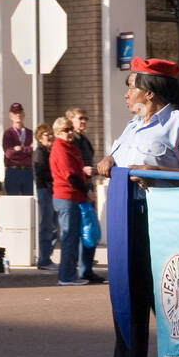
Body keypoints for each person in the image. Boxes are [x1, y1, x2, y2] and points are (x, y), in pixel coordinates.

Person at [84, 56, 179, 357]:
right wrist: (108, 161)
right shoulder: (131, 127)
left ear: (150, 91)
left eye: (131, 86)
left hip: (166, 228)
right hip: (128, 226)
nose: (126, 93)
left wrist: (157, 173)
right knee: (130, 309)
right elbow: (121, 159)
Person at [50, 116, 89, 286]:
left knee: (72, 237)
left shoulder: (68, 147)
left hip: (71, 197)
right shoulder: (60, 148)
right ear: (58, 132)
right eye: (66, 130)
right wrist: (87, 192)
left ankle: (70, 274)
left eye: (70, 129)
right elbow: (70, 176)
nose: (70, 132)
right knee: (69, 238)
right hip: (67, 197)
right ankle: (66, 276)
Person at [67, 107, 104, 283]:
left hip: (88, 186)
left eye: (85, 119)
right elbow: (67, 167)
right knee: (84, 231)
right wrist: (83, 170)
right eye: (80, 118)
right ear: (71, 119)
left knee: (91, 230)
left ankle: (87, 269)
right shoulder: (70, 140)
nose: (83, 122)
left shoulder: (84, 140)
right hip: (78, 190)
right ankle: (82, 270)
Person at [32, 124, 58, 271]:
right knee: (46, 225)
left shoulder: (50, 151)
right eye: (46, 135)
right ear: (40, 138)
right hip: (45, 190)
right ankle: (43, 259)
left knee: (53, 225)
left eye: (50, 134)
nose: (50, 137)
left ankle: (47, 257)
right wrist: (56, 176)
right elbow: (42, 173)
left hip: (52, 190)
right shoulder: (39, 152)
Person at [2, 102, 34, 195]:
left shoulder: (30, 133)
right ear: (10, 116)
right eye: (15, 113)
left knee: (29, 200)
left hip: (28, 170)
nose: (18, 115)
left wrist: (21, 149)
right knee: (13, 200)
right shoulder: (8, 133)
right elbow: (9, 154)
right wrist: (27, 149)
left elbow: (34, 151)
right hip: (13, 170)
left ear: (23, 114)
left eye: (20, 112)